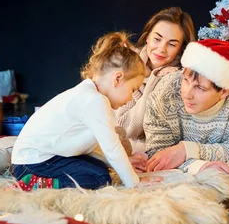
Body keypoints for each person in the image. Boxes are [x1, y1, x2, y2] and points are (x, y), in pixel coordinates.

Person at [11, 32, 160, 191]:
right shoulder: (94, 100)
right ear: (117, 78)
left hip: (41, 158)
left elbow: (95, 148)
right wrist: (134, 182)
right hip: (32, 163)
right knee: (99, 178)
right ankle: (35, 184)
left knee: (100, 169)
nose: (131, 97)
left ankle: (41, 179)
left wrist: (123, 164)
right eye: (133, 89)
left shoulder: (89, 94)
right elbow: (112, 147)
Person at [141, 39, 229, 175]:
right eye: (185, 80)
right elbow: (158, 155)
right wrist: (198, 166)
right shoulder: (165, 95)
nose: (187, 94)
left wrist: (186, 150)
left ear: (224, 92)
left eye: (200, 88)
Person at [114, 7, 196, 142]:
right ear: (147, 37)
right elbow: (122, 127)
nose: (161, 49)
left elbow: (129, 131)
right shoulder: (126, 61)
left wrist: (154, 80)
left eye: (171, 44)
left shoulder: (178, 80)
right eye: (157, 39)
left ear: (181, 49)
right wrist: (146, 76)